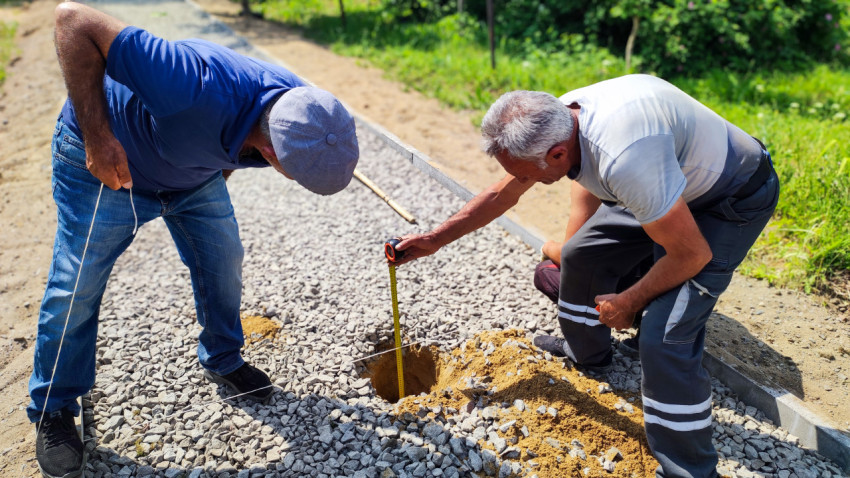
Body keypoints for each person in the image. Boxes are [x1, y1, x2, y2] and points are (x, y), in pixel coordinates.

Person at [30, 3, 359, 477]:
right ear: (269, 149)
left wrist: (211, 169)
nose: (289, 179)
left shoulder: (301, 108)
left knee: (223, 259)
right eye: (292, 173)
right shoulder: (188, 82)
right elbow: (72, 20)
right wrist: (97, 138)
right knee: (75, 286)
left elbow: (232, 144)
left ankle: (224, 357)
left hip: (190, 180)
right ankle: (54, 408)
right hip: (107, 169)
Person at [394, 74, 779, 478]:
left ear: (558, 155)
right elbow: (503, 193)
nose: (524, 180)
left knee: (664, 335)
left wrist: (629, 301)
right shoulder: (557, 119)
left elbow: (690, 253)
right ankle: (589, 355)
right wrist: (436, 239)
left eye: (528, 173)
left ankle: (691, 470)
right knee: (580, 254)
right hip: (666, 186)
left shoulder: (624, 158)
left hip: (728, 199)